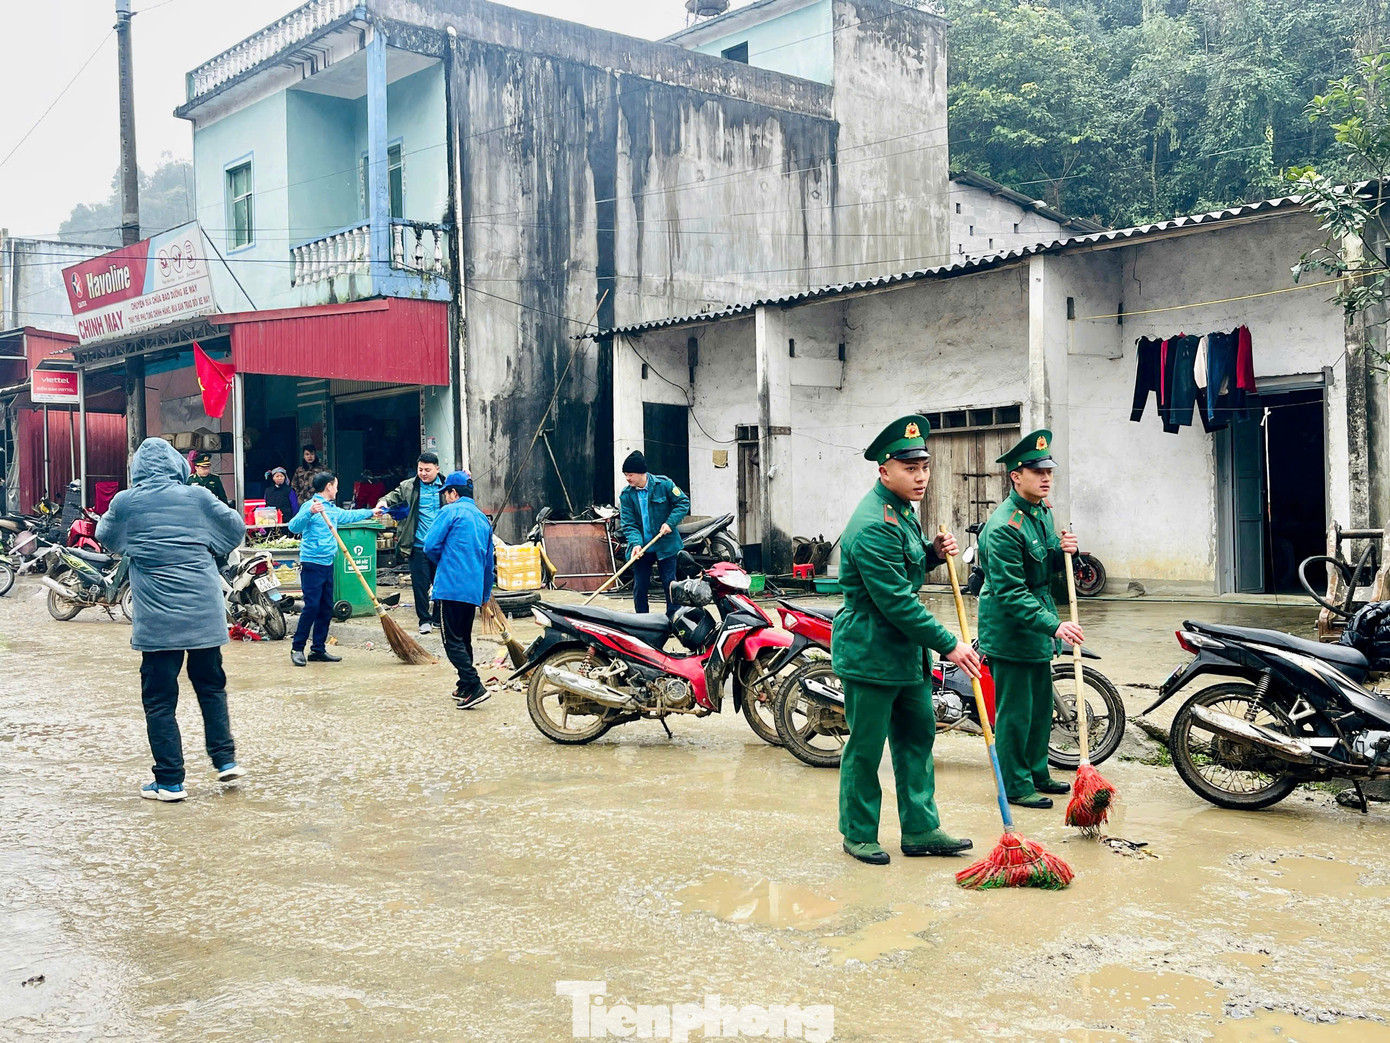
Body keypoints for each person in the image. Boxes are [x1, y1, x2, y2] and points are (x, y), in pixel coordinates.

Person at [832, 415, 982, 865]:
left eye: (924, 467)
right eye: (909, 468)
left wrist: (932, 554)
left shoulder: (900, 511)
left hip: (904, 653)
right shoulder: (873, 523)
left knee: (918, 738)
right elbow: (896, 601)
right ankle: (858, 832)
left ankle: (920, 828)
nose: (920, 477)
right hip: (872, 651)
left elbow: (907, 569)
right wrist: (949, 644)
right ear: (884, 470)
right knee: (865, 748)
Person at [95, 438, 248, 802]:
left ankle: (170, 782)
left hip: (157, 622)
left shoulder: (126, 503)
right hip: (204, 615)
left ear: (137, 470)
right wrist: (207, 544)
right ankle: (225, 761)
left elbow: (106, 537)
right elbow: (234, 528)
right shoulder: (197, 496)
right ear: (177, 466)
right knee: (211, 687)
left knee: (160, 700)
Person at [976, 429, 1082, 810]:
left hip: (1036, 625)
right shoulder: (1005, 527)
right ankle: (1017, 786)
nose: (1046, 478)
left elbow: (1046, 558)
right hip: (1011, 629)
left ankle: (1038, 772)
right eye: (1037, 472)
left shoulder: (1038, 513)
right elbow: (1010, 592)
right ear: (1015, 477)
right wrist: (1054, 625)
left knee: (1039, 708)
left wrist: (1065, 550)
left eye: (1049, 471)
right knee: (1016, 713)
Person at [287, 471, 383, 667]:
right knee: (312, 607)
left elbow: (349, 516)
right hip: (312, 564)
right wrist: (310, 512)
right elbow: (293, 527)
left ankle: (318, 649)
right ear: (329, 487)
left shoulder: (332, 509)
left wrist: (372, 511)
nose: (338, 489)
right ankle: (297, 648)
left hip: (328, 563)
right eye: (336, 485)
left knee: (325, 608)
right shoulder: (311, 506)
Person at [423, 470, 496, 710]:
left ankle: (474, 685)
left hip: (450, 587)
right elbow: (489, 563)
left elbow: (430, 545)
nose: (445, 497)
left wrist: (444, 561)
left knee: (451, 640)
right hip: (472, 590)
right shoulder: (483, 519)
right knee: (463, 638)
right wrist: (485, 595)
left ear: (454, 493)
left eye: (446, 493)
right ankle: (464, 685)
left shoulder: (450, 512)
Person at [377, 452, 446, 635]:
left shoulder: (447, 487)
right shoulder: (409, 486)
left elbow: (464, 494)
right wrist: (383, 503)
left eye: (427, 470)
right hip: (418, 544)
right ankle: (424, 620)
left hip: (442, 546)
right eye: (420, 469)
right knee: (420, 585)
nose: (423, 473)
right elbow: (392, 496)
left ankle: (439, 618)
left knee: (441, 583)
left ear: (437, 469)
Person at [617, 451, 689, 617]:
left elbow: (683, 502)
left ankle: (674, 620)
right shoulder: (627, 495)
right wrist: (635, 544)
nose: (627, 478)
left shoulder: (664, 485)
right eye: (626, 475)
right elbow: (629, 524)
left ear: (641, 473)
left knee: (669, 584)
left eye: (630, 475)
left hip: (665, 545)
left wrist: (670, 523)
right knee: (640, 586)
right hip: (642, 548)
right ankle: (643, 622)